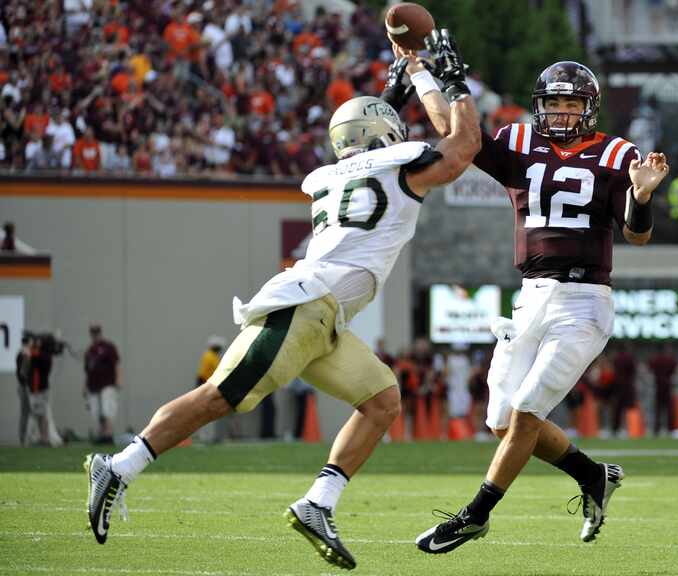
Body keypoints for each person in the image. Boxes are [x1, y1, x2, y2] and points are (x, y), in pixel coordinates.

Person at [84, 30, 481, 572]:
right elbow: (462, 147)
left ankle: (318, 503)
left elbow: (372, 144)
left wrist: (400, 85)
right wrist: (447, 81)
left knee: (382, 400)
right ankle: (119, 465)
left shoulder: (330, 175)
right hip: (304, 308)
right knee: (219, 396)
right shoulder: (394, 165)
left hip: (326, 318)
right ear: (383, 136)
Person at [409, 42, 670, 553]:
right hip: (530, 296)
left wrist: (640, 197)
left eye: (572, 104)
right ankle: (593, 475)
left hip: (583, 300)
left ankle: (474, 516)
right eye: (554, 103)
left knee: (527, 413)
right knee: (502, 421)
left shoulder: (617, 154)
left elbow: (636, 235)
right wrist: (424, 76)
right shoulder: (520, 142)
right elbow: (457, 135)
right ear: (539, 105)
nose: (562, 112)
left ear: (588, 109)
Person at [84, 325, 121, 445]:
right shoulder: (90, 350)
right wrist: (85, 386)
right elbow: (87, 371)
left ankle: (108, 434)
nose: (95, 336)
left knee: (107, 410)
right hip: (93, 386)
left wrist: (118, 380)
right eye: (93, 333)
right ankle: (102, 434)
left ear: (100, 333)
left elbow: (116, 364)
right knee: (97, 412)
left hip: (107, 384)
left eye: (96, 333)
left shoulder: (108, 347)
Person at [648, 342, 678, 436]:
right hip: (667, 385)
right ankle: (670, 429)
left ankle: (657, 429)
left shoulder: (656, 359)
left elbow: (650, 367)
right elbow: (675, 368)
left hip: (658, 386)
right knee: (669, 409)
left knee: (658, 409)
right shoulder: (670, 359)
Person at [16, 333, 33, 445]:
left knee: (25, 413)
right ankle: (25, 438)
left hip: (22, 386)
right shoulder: (25, 353)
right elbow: (23, 373)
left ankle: (23, 438)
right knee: (29, 413)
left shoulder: (20, 353)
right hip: (25, 387)